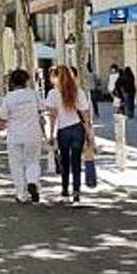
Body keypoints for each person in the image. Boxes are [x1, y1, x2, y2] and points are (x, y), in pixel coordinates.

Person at [0, 70, 44, 203]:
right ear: (26, 81)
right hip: (33, 133)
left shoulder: (9, 97)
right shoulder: (33, 94)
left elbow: (2, 119)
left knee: (17, 165)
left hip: (15, 136)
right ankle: (32, 181)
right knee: (33, 161)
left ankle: (21, 194)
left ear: (13, 82)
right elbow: (41, 111)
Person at [46, 66, 93, 203]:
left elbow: (52, 116)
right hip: (78, 129)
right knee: (76, 161)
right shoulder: (79, 92)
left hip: (63, 130)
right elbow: (85, 115)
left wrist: (51, 134)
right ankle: (77, 191)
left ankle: (65, 188)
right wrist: (90, 134)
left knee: (65, 161)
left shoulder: (53, 94)